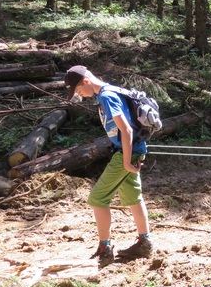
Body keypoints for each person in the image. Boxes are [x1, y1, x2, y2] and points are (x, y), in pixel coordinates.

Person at [64, 65, 154, 267]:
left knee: (97, 198)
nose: (80, 95)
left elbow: (127, 130)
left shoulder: (106, 96)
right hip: (132, 150)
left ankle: (105, 248)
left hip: (126, 152)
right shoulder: (110, 91)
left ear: (86, 81)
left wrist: (126, 161)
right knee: (132, 196)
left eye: (78, 91)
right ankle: (145, 242)